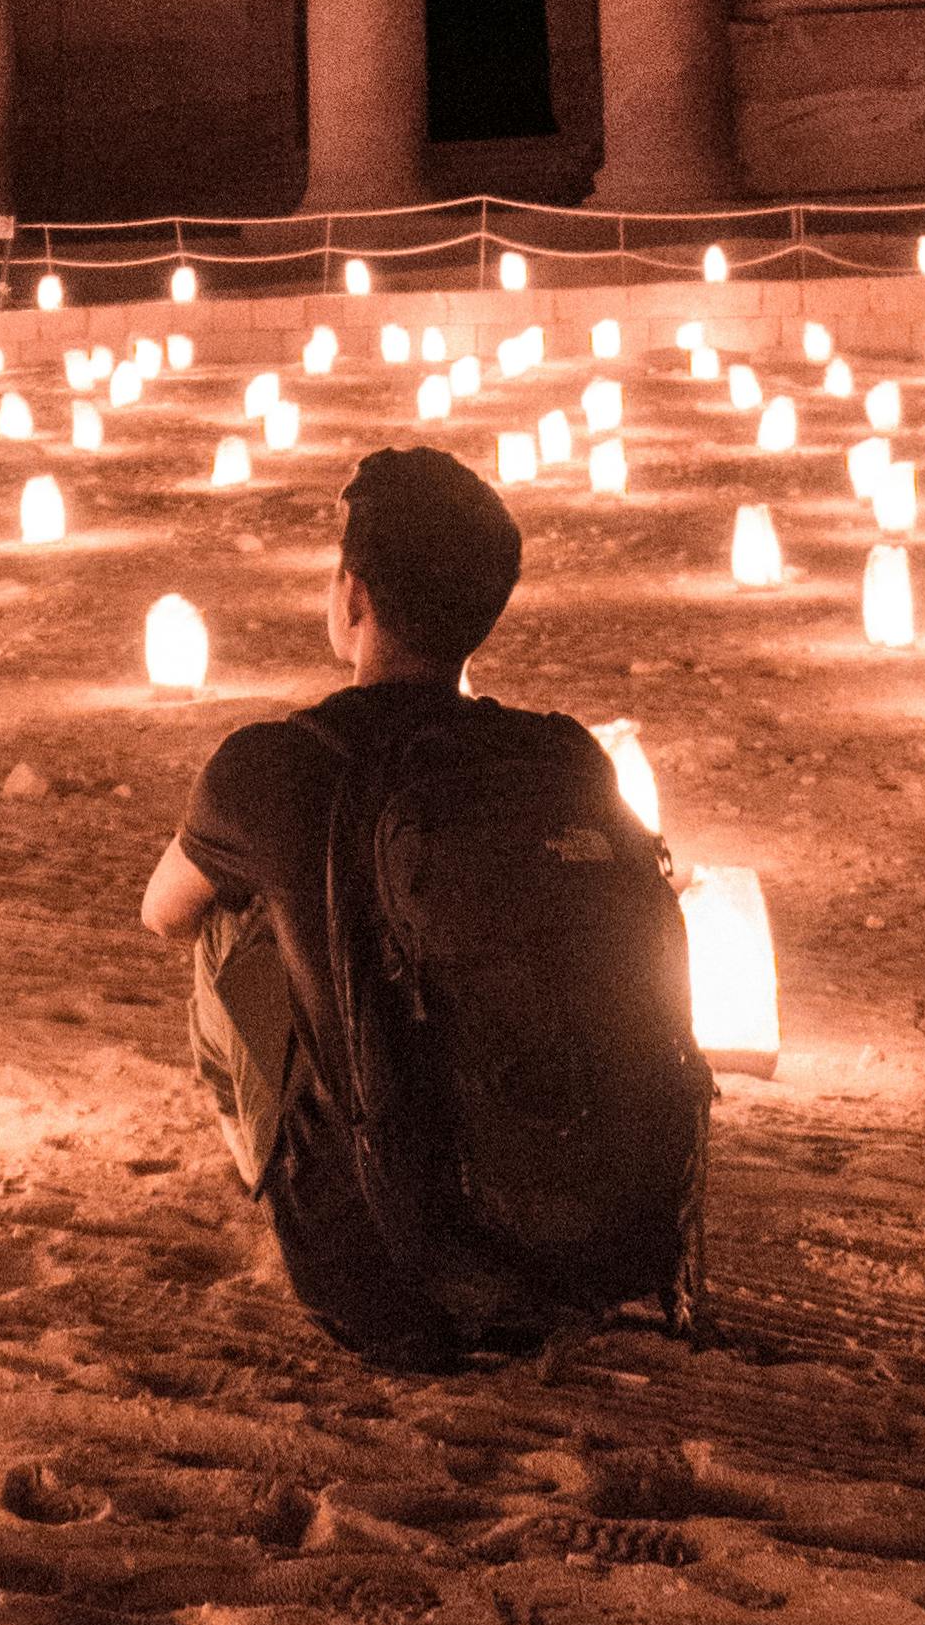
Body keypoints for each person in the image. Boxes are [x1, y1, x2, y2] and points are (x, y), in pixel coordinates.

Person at [140, 440, 706, 1363]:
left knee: (228, 922)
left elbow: (162, 912)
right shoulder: (567, 759)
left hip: (383, 1279)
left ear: (353, 595)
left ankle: (305, 1179)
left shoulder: (279, 763)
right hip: (592, 1250)